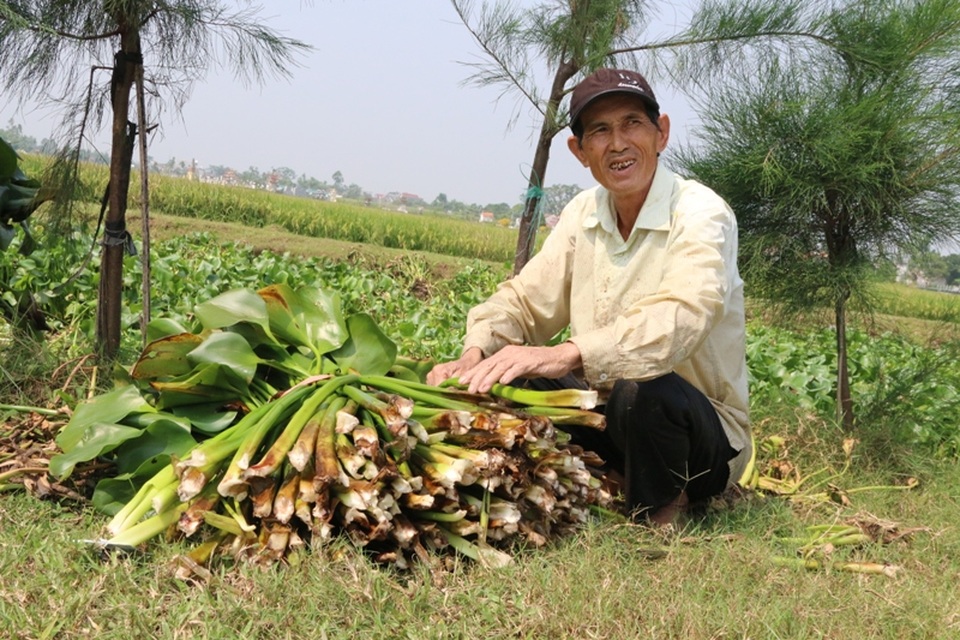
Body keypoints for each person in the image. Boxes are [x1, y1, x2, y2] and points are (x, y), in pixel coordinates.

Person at [427, 68, 751, 527]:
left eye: (632, 124)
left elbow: (682, 317)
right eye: (599, 131)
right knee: (503, 376)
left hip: (697, 435)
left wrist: (567, 353)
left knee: (643, 386)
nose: (617, 143)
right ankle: (610, 475)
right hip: (604, 414)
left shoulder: (700, 213)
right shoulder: (583, 213)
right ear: (580, 152)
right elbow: (523, 301)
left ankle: (661, 510)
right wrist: (475, 354)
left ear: (661, 133)